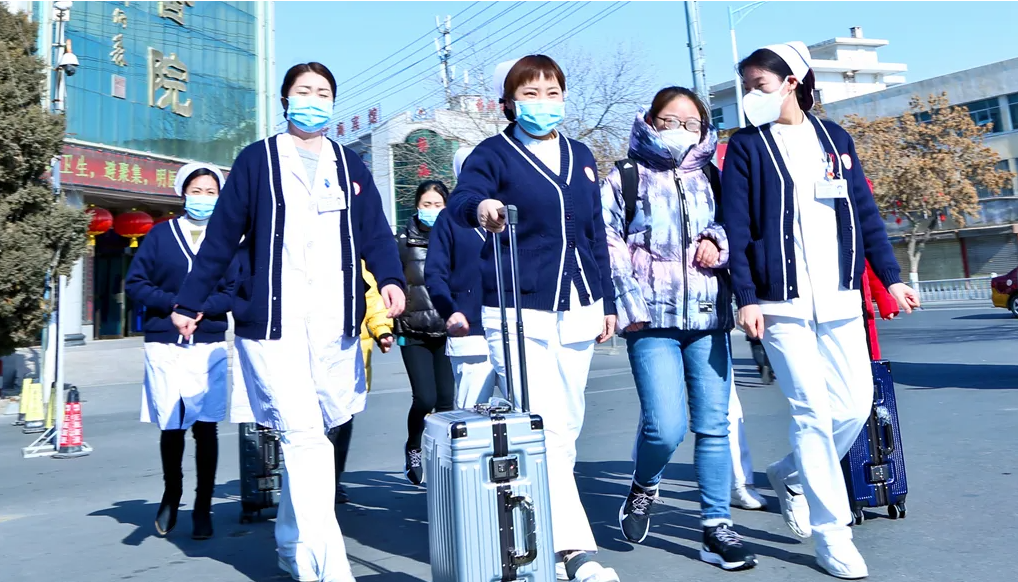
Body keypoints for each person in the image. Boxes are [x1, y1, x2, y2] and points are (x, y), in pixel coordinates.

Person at [170, 62, 406, 582]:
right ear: (285, 100)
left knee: (319, 430)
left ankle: (290, 544)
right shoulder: (257, 162)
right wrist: (189, 302)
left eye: (324, 91)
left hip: (334, 321)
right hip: (272, 322)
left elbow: (376, 234)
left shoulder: (350, 166)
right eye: (304, 91)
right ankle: (331, 564)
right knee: (304, 436)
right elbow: (219, 239)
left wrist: (391, 279)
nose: (314, 99)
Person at [723, 42, 920, 579]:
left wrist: (894, 279)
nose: (749, 97)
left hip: (838, 297)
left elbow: (866, 215)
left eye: (759, 86)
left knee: (854, 407)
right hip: (779, 302)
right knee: (811, 411)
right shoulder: (745, 146)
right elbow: (737, 230)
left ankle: (790, 473)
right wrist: (747, 298)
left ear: (793, 82)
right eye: (746, 87)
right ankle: (834, 537)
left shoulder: (835, 140)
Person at [446, 55, 621, 582]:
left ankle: (536, 533)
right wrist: (482, 211)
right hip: (516, 309)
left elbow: (594, 235)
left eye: (551, 93)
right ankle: (575, 552)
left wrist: (608, 302)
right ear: (508, 103)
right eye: (530, 94)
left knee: (566, 429)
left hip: (580, 304)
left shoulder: (582, 156)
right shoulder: (493, 153)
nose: (543, 104)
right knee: (540, 423)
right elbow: (464, 199)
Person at [601, 86, 757, 571]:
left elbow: (739, 225)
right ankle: (645, 483)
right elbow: (605, 238)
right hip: (651, 322)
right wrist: (629, 304)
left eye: (693, 124)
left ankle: (715, 527)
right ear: (651, 121)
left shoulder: (713, 174)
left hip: (709, 318)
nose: (683, 131)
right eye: (672, 121)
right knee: (665, 427)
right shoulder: (626, 176)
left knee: (714, 427)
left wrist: (719, 240)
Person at [125, 162, 236, 540]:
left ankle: (203, 506)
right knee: (171, 426)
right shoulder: (159, 236)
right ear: (182, 192)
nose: (203, 198)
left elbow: (233, 290)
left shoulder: (226, 240)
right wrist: (175, 306)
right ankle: (172, 493)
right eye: (196, 191)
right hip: (166, 341)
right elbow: (136, 283)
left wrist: (200, 309)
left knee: (206, 429)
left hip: (208, 342)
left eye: (211, 192)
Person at [424, 146, 500, 409]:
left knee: (529, 411)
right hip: (471, 335)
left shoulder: (509, 214)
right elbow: (434, 273)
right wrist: (450, 311)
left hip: (514, 329)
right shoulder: (449, 219)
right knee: (473, 415)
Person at [396, 180, 456, 486]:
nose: (432, 211)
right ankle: (414, 446)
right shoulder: (403, 240)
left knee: (447, 400)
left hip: (446, 330)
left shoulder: (454, 237)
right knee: (425, 398)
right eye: (426, 205)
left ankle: (444, 456)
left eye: (438, 205)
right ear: (417, 206)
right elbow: (391, 282)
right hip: (413, 330)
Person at [327, 261, 394, 504]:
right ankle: (316, 481)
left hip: (352, 351)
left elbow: (373, 299)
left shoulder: (357, 260)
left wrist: (383, 330)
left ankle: (333, 481)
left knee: (343, 421)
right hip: (317, 348)